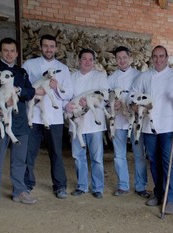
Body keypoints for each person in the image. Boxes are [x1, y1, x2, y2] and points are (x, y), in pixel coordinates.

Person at [0, 37, 37, 214]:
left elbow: (31, 92)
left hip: (19, 123)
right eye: (5, 50)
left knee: (20, 160)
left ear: (17, 53)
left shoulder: (22, 73)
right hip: (0, 121)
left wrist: (20, 93)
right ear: (0, 52)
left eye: (12, 50)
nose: (9, 53)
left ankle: (19, 191)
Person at [130, 45, 173, 214]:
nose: (158, 59)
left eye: (162, 56)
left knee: (169, 163)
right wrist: (135, 105)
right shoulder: (145, 76)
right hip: (149, 125)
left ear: (167, 58)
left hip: (169, 125)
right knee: (154, 161)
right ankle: (158, 193)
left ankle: (170, 199)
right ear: (151, 58)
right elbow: (133, 93)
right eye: (155, 56)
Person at [22, 34, 73, 199]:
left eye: (52, 46)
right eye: (45, 46)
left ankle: (60, 186)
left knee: (56, 152)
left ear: (56, 48)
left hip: (54, 118)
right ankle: (27, 184)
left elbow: (69, 94)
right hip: (33, 116)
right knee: (29, 152)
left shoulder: (63, 69)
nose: (49, 49)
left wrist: (56, 87)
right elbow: (22, 88)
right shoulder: (29, 65)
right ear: (40, 47)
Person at [65, 48, 110, 199]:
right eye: (84, 59)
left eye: (91, 59)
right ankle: (82, 186)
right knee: (78, 156)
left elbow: (104, 97)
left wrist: (89, 102)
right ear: (79, 61)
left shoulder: (100, 77)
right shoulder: (72, 77)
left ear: (94, 62)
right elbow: (66, 97)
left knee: (97, 158)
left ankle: (98, 187)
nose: (87, 62)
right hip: (77, 123)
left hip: (95, 125)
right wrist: (69, 106)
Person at [108, 46, 150, 198]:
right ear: (115, 60)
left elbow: (145, 97)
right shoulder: (111, 78)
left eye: (124, 57)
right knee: (119, 154)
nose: (122, 61)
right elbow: (107, 99)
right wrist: (113, 103)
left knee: (139, 154)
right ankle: (123, 185)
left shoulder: (140, 76)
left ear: (130, 57)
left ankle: (141, 186)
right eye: (119, 58)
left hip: (136, 121)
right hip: (119, 121)